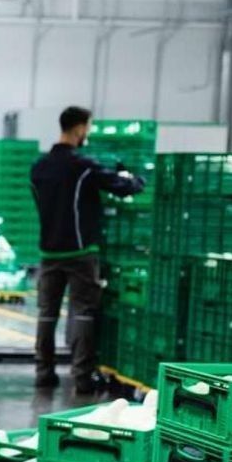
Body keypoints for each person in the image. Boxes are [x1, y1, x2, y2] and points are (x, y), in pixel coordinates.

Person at [30, 106, 145, 394]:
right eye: (88, 128)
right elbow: (123, 187)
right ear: (80, 128)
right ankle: (81, 376)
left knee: (47, 313)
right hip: (80, 252)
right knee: (83, 311)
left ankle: (43, 372)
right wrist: (134, 178)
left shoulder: (38, 168)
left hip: (49, 251)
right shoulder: (82, 167)